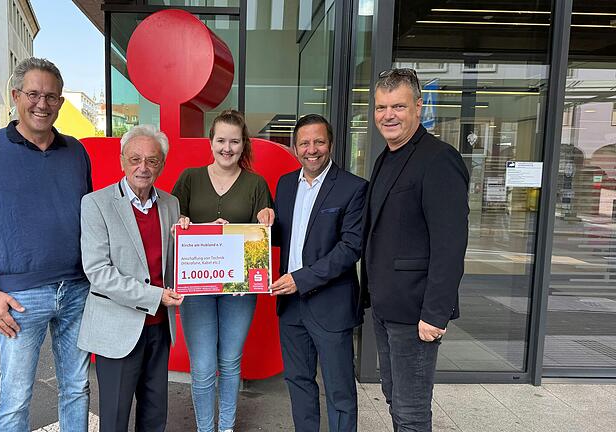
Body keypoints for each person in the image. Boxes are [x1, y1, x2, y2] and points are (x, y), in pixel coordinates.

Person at [0, 57, 92, 432]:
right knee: (15, 400)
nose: (42, 104)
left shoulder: (76, 152)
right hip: (18, 299)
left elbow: (91, 219)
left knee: (77, 389)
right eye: (33, 94)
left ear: (61, 102)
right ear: (15, 96)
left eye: (51, 97)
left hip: (77, 290)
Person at [363, 68, 469, 432]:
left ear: (419, 107)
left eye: (398, 106)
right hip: (385, 306)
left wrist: (436, 314)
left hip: (416, 313)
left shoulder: (439, 159)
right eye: (380, 107)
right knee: (394, 397)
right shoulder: (386, 157)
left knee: (411, 410)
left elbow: (450, 243)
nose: (388, 115)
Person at [257, 114, 367, 432]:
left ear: (330, 144)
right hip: (291, 307)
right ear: (294, 147)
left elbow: (349, 249)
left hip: (330, 305)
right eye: (304, 143)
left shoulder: (353, 188)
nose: (311, 149)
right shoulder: (286, 184)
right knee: (299, 383)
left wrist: (300, 280)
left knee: (339, 391)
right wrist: (260, 223)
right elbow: (283, 235)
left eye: (319, 141)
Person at [77, 124, 184, 432]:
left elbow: (177, 260)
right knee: (114, 418)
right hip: (117, 328)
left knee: (154, 415)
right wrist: (156, 297)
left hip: (159, 328)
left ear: (161, 164)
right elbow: (98, 272)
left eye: (152, 160)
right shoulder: (96, 204)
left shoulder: (171, 204)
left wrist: (210, 235)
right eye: (135, 159)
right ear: (122, 160)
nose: (143, 167)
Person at [172, 110, 273, 432]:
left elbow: (262, 238)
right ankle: (205, 428)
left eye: (234, 141)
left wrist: (266, 220)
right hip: (197, 288)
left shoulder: (257, 184)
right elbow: (171, 226)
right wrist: (182, 226)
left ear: (244, 145)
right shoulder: (189, 178)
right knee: (202, 367)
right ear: (210, 142)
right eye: (221, 141)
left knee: (230, 362)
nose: (227, 148)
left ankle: (226, 427)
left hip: (239, 290)